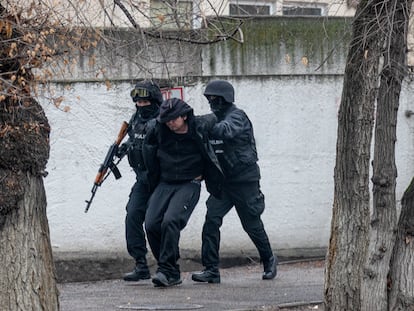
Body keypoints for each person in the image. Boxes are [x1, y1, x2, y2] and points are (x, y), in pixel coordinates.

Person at [191, 80, 277, 284]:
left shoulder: (237, 117)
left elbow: (224, 130)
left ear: (225, 98)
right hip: (223, 183)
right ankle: (211, 269)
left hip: (244, 182)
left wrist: (202, 125)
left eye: (215, 98)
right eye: (209, 98)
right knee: (211, 221)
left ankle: (269, 260)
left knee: (251, 224)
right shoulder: (213, 118)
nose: (212, 102)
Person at [143, 97, 222, 287]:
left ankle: (166, 270)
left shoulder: (199, 126)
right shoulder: (158, 128)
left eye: (174, 119)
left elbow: (217, 117)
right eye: (166, 120)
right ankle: (171, 270)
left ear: (184, 116)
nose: (170, 123)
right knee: (152, 223)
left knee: (171, 221)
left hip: (189, 182)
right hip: (165, 182)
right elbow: (147, 141)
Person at [116, 80, 163, 281]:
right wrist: (126, 147)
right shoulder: (136, 118)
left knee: (156, 224)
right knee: (133, 215)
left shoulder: (163, 120)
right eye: (139, 102)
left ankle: (166, 266)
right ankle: (140, 264)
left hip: (162, 181)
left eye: (145, 101)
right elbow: (135, 139)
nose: (142, 105)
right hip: (143, 181)